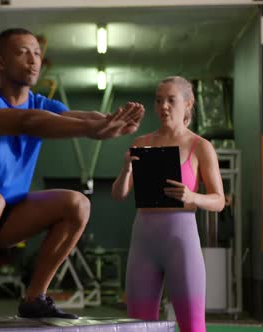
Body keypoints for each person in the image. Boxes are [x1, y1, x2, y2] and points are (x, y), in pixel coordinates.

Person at [0, 27, 145, 327]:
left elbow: (76, 117)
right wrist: (93, 129)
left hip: (4, 215)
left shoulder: (41, 103)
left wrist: (108, 123)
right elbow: (26, 122)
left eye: (37, 53)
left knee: (77, 203)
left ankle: (35, 299)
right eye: (22, 52)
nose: (33, 60)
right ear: (0, 61)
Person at [111, 76, 225, 332]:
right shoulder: (141, 143)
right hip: (143, 241)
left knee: (193, 326)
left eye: (171, 100)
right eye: (159, 100)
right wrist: (126, 168)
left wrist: (192, 197)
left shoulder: (200, 146)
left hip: (181, 242)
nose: (163, 106)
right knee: (138, 326)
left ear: (187, 104)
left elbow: (219, 201)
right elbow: (119, 195)